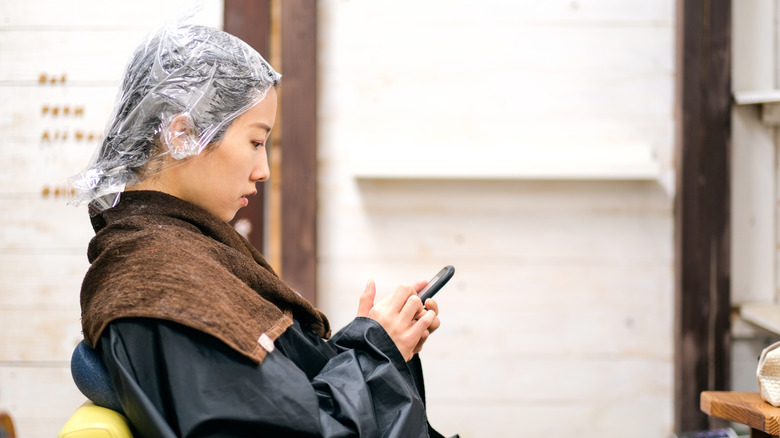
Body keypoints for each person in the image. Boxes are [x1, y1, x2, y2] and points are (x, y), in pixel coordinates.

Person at [69, 22, 451, 437]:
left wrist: (372, 340)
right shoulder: (159, 282)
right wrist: (376, 354)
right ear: (183, 135)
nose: (264, 170)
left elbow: (283, 393)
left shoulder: (177, 253)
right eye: (255, 142)